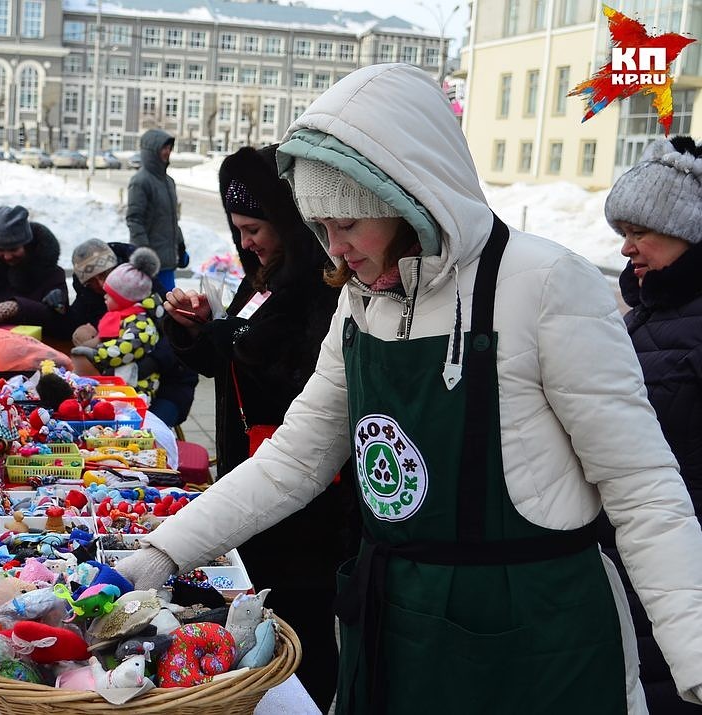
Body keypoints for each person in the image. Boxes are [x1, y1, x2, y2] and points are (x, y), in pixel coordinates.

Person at [116, 64, 702, 713]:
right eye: (320, 227)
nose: (334, 249)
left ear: (408, 197)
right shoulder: (364, 303)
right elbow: (295, 458)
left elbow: (642, 486)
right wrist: (164, 548)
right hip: (399, 625)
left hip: (537, 640)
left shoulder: (546, 286)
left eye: (348, 221)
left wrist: (694, 652)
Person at [160, 145, 353, 710]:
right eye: (237, 230)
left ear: (287, 220)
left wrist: (232, 341)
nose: (245, 242)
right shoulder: (263, 278)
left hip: (307, 503)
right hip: (254, 477)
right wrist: (197, 333)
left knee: (303, 629)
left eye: (253, 228)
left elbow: (305, 383)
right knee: (263, 614)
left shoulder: (323, 286)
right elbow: (229, 365)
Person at [599, 135, 702, 714]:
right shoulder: (646, 315)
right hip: (635, 556)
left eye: (641, 233)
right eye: (622, 235)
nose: (627, 250)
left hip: (682, 562)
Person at [65, 238, 198, 427]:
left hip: (169, 383)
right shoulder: (88, 298)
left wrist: (151, 362)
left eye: (104, 274)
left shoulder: (151, 298)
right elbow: (66, 324)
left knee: (146, 428)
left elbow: (173, 339)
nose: (101, 284)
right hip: (118, 385)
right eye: (92, 281)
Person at [0, 204, 69, 338]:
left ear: (27, 245)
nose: (7, 256)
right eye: (0, 250)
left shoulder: (52, 274)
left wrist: (20, 308)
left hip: (36, 352)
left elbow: (62, 323)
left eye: (14, 249)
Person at [70, 247, 163, 390]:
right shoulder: (121, 316)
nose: (104, 295)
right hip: (121, 379)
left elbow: (129, 346)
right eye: (92, 282)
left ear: (124, 299)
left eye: (110, 295)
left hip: (139, 387)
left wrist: (98, 354)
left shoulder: (140, 321)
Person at [126, 128, 187, 292]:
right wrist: (145, 256)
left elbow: (172, 219)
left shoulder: (169, 182)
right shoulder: (140, 181)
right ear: (151, 151)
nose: (167, 152)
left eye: (169, 148)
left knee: (169, 309)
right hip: (151, 267)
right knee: (155, 311)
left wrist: (181, 246)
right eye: (163, 148)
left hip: (168, 263)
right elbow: (134, 220)